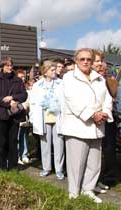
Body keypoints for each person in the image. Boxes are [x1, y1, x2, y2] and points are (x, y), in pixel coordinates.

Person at [62, 48, 113, 203]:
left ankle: (88, 189)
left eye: (89, 59)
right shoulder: (69, 77)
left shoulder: (99, 78)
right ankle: (74, 192)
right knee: (76, 163)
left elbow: (107, 99)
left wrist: (104, 113)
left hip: (97, 126)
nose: (86, 62)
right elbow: (72, 100)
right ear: (76, 60)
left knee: (94, 162)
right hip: (78, 126)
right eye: (82, 59)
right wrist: (92, 114)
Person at [29, 60, 64, 180]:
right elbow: (33, 102)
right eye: (52, 70)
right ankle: (46, 167)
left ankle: (59, 169)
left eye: (55, 69)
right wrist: (33, 117)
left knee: (59, 144)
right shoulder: (37, 85)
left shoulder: (61, 83)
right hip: (43, 118)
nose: (55, 72)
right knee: (45, 144)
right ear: (45, 71)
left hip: (57, 117)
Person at [0, 57, 27, 171]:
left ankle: (13, 165)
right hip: (1, 115)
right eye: (7, 65)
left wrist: (13, 98)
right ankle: (2, 165)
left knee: (12, 141)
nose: (10, 67)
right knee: (2, 141)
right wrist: (9, 103)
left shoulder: (18, 80)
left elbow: (24, 95)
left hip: (14, 116)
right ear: (2, 67)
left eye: (11, 65)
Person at [92, 50, 118, 189]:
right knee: (95, 150)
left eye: (102, 61)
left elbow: (113, 97)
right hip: (92, 118)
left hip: (108, 118)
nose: (100, 64)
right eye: (97, 61)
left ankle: (109, 177)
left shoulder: (110, 80)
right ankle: (92, 180)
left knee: (109, 149)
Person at [16, 69, 30, 165]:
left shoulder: (26, 89)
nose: (23, 78)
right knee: (16, 137)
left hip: (25, 115)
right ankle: (17, 156)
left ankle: (24, 154)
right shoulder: (14, 88)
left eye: (24, 77)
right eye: (21, 77)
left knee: (24, 136)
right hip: (17, 115)